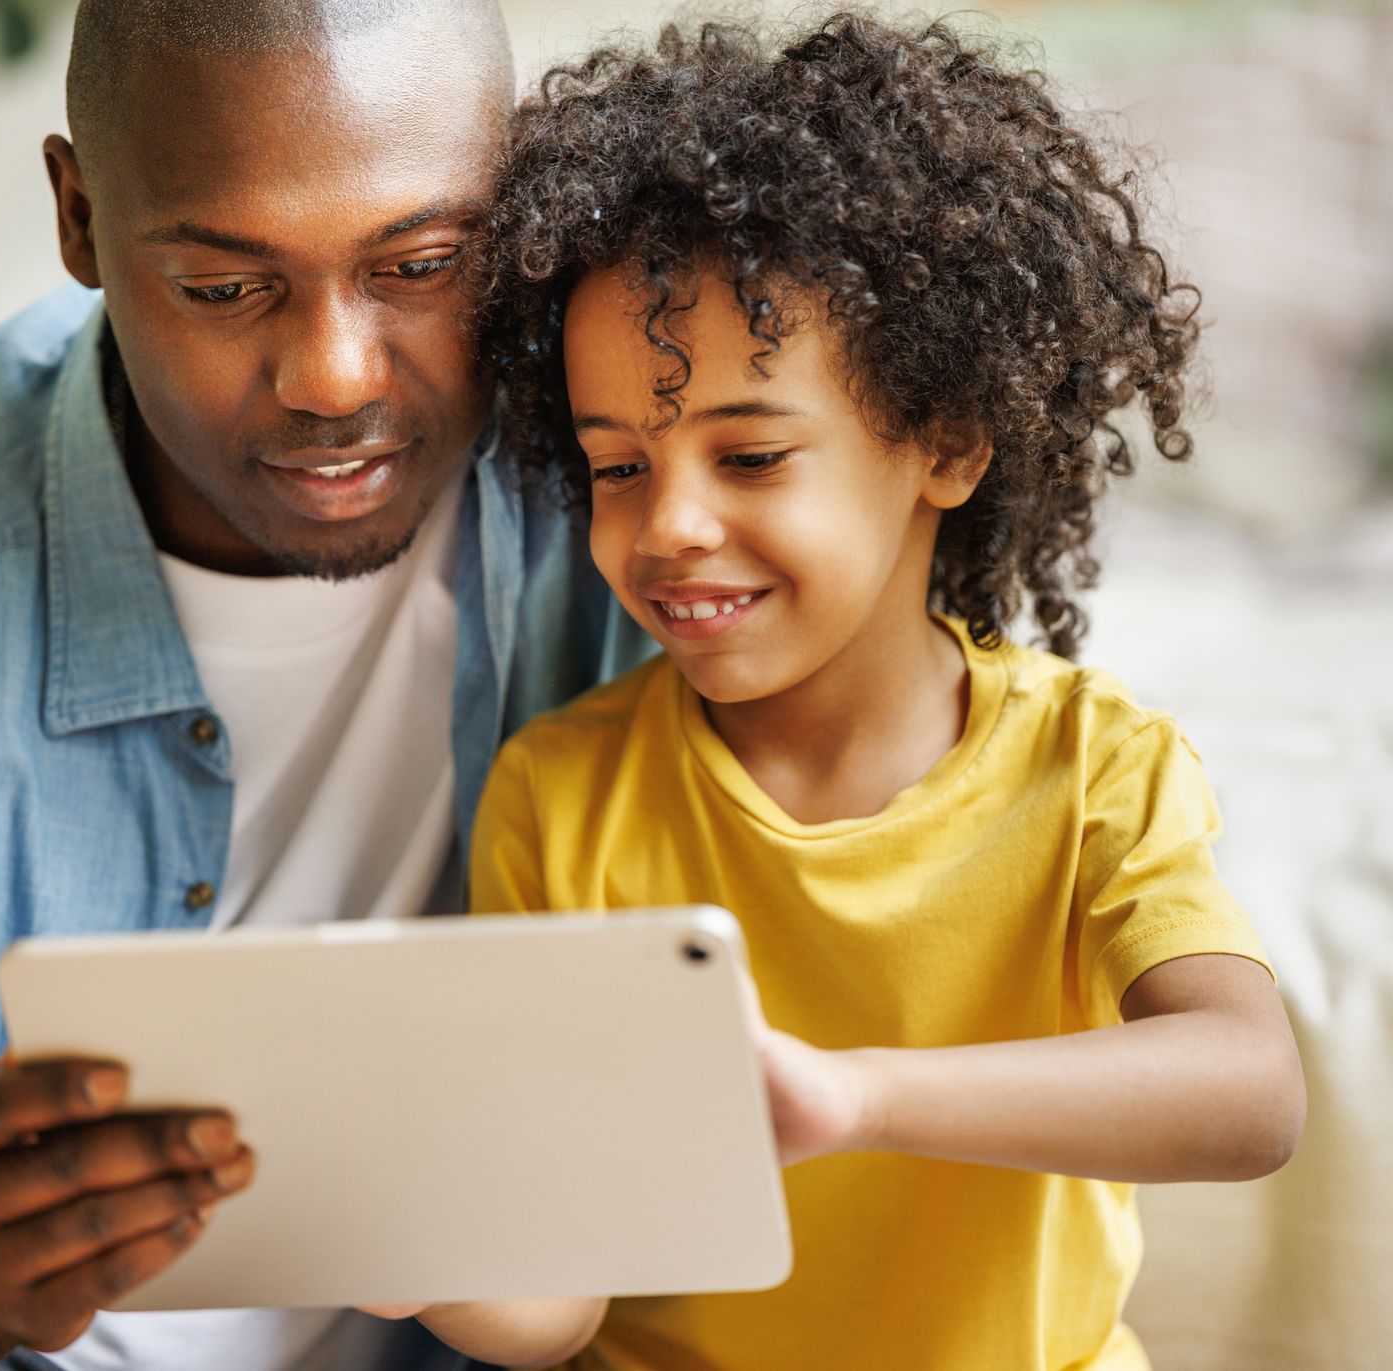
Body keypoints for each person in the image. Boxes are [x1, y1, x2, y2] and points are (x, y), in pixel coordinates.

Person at [0, 2, 643, 1368]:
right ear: (79, 216)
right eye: (223, 287)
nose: (334, 377)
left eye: (424, 264)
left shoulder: (639, 492)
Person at [377, 12, 1308, 1369]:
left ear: (942, 444)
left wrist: (855, 1098)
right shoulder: (562, 796)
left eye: (749, 458)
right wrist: (410, 1245)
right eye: (618, 466)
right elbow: (554, 1310)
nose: (669, 525)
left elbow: (1249, 1094)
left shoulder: (1095, 768)